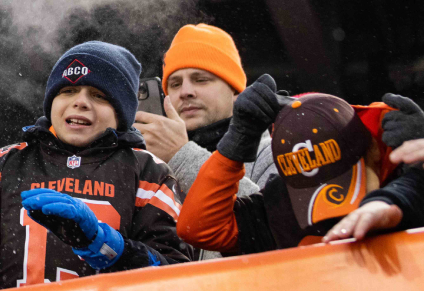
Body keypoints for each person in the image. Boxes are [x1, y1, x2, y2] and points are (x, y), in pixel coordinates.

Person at [0, 42, 189, 291]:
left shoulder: (150, 172)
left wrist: (103, 245)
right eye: (68, 90)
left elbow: (176, 273)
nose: (80, 101)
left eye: (99, 95)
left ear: (122, 112)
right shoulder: (0, 165)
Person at [177, 79, 424, 252]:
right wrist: (235, 145)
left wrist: (417, 160)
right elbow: (196, 228)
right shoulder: (279, 207)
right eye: (309, 186)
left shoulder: (409, 184)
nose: (333, 217)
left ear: (371, 152)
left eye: (340, 177)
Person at [135, 24, 276, 199]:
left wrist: (182, 156)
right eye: (175, 84)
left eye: (201, 80)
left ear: (235, 91)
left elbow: (269, 220)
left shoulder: (277, 152)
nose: (185, 91)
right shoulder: (149, 163)